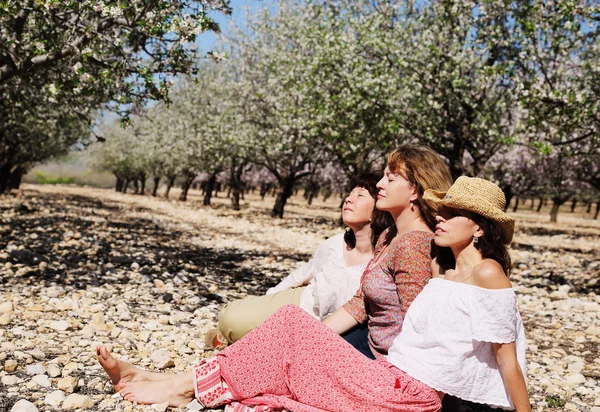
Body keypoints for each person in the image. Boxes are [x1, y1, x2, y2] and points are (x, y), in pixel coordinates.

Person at [97, 176, 530, 412]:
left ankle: (179, 387)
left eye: (454, 214)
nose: (442, 217)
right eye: (443, 209)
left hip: (409, 391)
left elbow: (507, 358)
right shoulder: (443, 268)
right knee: (290, 327)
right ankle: (179, 384)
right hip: (394, 375)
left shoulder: (487, 272)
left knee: (288, 331)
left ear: (478, 227)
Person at [213, 172, 394, 345]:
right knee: (231, 318)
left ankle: (237, 343)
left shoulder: (384, 259)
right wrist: (266, 301)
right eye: (350, 193)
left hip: (327, 330)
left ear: (378, 209)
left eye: (360, 195)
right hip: (301, 303)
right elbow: (301, 275)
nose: (348, 199)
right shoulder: (334, 244)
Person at [324, 145, 453, 359]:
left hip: (386, 361)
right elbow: (360, 302)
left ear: (414, 191)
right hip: (368, 341)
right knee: (292, 329)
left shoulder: (413, 245)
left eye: (390, 179)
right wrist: (312, 332)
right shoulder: (389, 235)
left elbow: (416, 326)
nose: (379, 185)